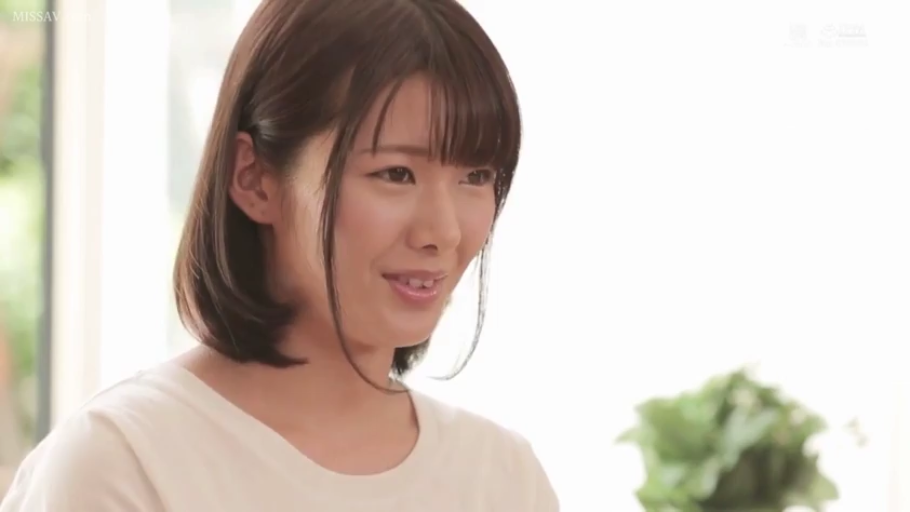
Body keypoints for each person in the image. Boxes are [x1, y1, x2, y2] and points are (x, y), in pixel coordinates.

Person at [0, 0, 559, 510]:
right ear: (255, 178)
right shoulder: (123, 465)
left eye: (476, 176)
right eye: (396, 173)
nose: (443, 232)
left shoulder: (504, 479)